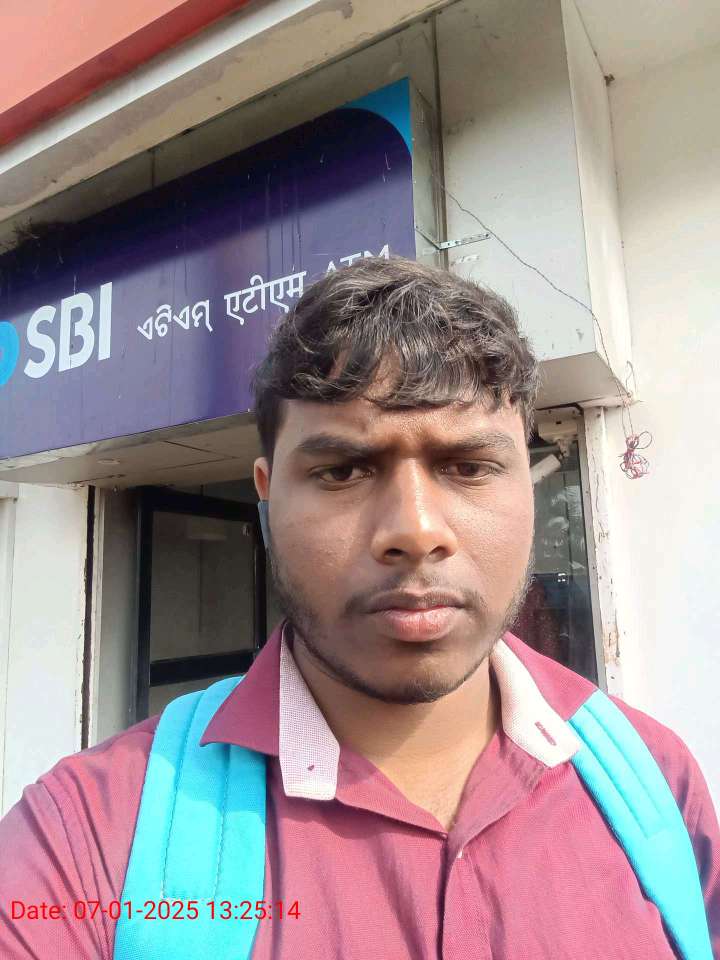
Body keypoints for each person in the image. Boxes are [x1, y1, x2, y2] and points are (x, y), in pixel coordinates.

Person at [0, 256, 717, 959]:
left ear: (526, 488)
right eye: (342, 470)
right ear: (265, 496)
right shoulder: (85, 838)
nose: (416, 531)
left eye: (468, 466)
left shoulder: (655, 782)